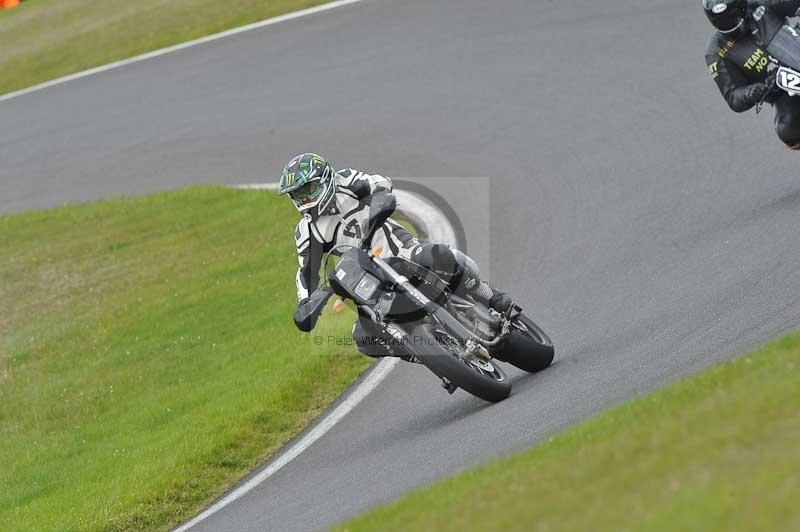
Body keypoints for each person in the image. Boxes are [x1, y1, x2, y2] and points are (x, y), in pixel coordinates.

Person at [278, 152, 513, 358]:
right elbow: (305, 273)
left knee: (442, 256)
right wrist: (305, 303)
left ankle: (490, 296)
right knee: (363, 336)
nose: (305, 200)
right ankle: (427, 355)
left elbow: (380, 183)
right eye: (298, 195)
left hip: (401, 250)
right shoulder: (306, 231)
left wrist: (380, 202)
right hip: (366, 279)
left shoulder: (345, 180)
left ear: (325, 179)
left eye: (308, 190)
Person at [703, 0, 800, 149]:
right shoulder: (716, 51)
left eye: (732, 18)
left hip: (796, 51)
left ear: (741, 6)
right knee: (787, 129)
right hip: (781, 91)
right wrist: (752, 92)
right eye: (722, 22)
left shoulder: (761, 4)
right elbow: (733, 95)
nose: (730, 24)